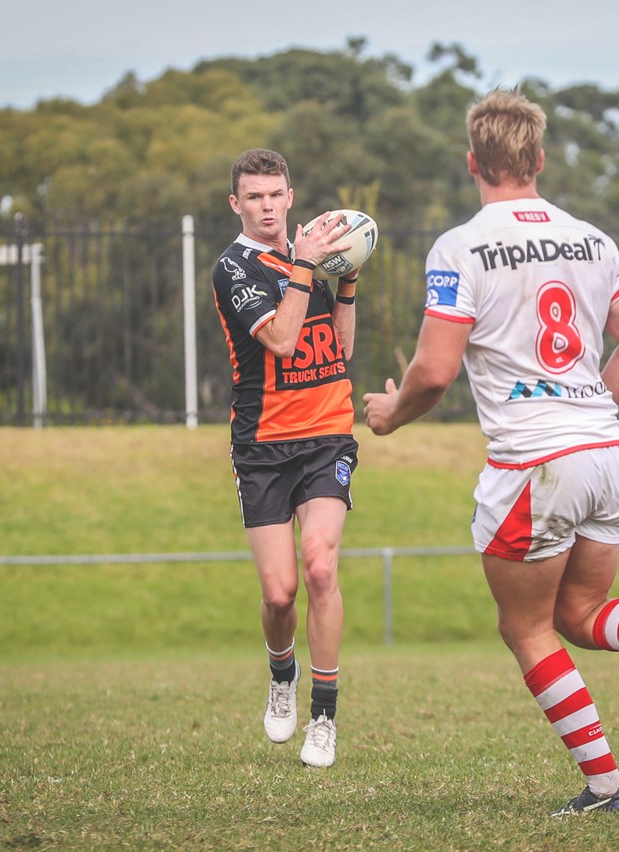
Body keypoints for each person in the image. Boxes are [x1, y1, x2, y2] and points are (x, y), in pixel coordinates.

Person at [363, 90, 619, 815]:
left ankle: (609, 787)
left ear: (473, 162)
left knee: (525, 626)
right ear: (539, 160)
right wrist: (585, 417)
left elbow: (432, 371)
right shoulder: (592, 239)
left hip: (536, 464)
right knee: (581, 614)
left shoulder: (460, 246)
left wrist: (391, 416)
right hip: (607, 453)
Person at [211, 147, 365, 768]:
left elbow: (340, 350)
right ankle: (283, 673)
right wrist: (305, 268)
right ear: (236, 204)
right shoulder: (234, 269)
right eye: (255, 197)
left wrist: (347, 278)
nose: (267, 206)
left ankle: (324, 717)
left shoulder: (313, 261)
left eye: (276, 195)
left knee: (320, 568)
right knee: (279, 594)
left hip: (328, 432)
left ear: (290, 196)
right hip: (263, 446)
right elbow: (280, 339)